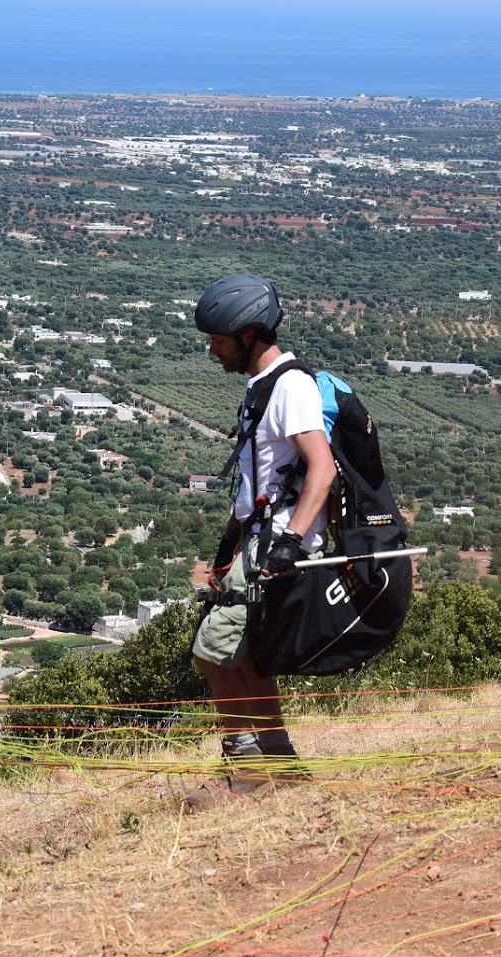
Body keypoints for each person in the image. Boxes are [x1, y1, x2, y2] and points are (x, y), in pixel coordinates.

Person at [182, 273, 337, 813]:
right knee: (247, 659)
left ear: (249, 335)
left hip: (276, 548)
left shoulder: (290, 386)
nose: (211, 349)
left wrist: (291, 543)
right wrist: (229, 548)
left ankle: (244, 768)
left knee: (212, 650)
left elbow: (322, 467)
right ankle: (283, 766)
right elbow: (258, 481)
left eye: (219, 340)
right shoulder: (263, 386)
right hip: (256, 543)